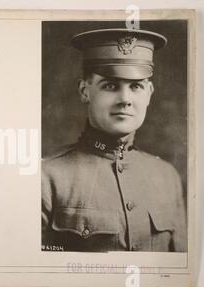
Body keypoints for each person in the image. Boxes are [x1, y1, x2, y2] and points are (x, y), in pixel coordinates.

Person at [41, 28, 187, 252]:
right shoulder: (46, 178)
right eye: (110, 85)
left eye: (136, 86)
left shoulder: (167, 177)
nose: (125, 100)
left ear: (149, 93)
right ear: (84, 91)